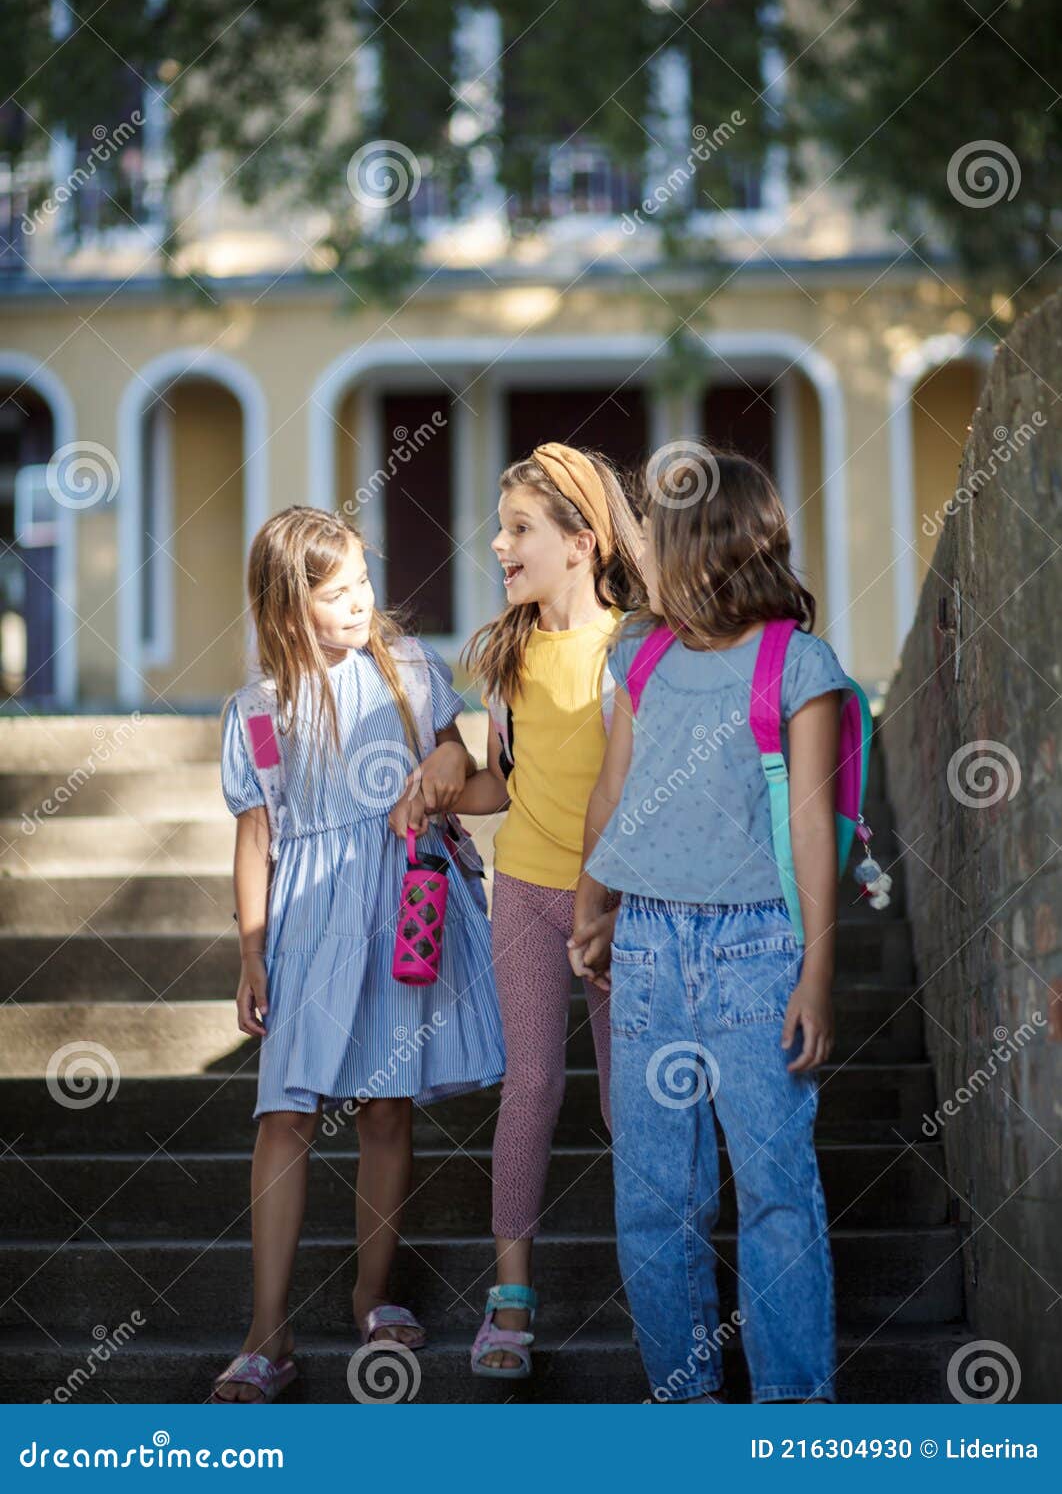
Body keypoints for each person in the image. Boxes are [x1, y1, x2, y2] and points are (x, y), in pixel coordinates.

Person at [571, 445, 851, 1404]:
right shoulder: (639, 656)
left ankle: (792, 1410)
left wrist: (815, 970)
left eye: (658, 534)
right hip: (646, 946)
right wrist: (590, 903)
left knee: (774, 1192)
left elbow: (812, 822)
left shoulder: (795, 662)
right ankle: (683, 1409)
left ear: (706, 543)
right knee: (655, 1200)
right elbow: (613, 791)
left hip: (756, 953)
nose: (644, 551)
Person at [210, 506, 504, 1402]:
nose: (358, 605)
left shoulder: (410, 669)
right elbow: (257, 836)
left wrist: (445, 771)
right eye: (335, 595)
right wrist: (252, 952)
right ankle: (268, 1331)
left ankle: (371, 1295)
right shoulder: (258, 711)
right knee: (286, 1114)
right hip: (305, 919)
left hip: (402, 907)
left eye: (362, 586)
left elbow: (459, 764)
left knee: (385, 1107)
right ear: (286, 606)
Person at [408, 444, 644, 1377]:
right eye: (500, 527)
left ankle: (658, 1280)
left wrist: (614, 900)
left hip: (627, 908)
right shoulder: (505, 655)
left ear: (582, 543)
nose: (497, 545)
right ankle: (510, 1300)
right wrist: (442, 775)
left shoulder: (633, 648)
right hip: (528, 898)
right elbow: (502, 785)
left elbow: (644, 786)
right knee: (533, 1089)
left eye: (518, 530)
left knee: (637, 1106)